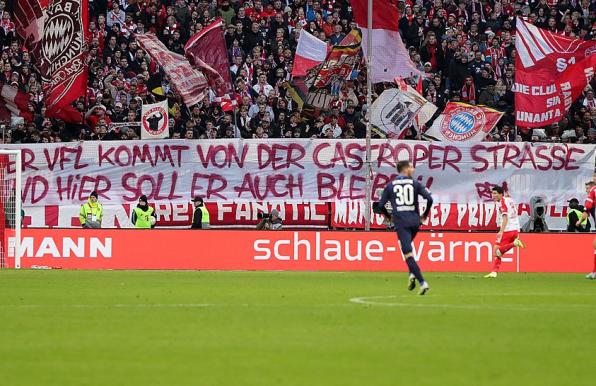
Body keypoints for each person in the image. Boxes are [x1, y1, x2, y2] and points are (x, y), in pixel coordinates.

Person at [374, 160, 433, 295]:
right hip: (415, 221)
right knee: (408, 248)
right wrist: (424, 214)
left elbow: (381, 205)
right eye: (411, 167)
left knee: (407, 253)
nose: (413, 169)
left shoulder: (390, 185)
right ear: (405, 169)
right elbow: (429, 199)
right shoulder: (415, 183)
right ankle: (411, 274)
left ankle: (423, 283)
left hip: (401, 222)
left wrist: (388, 217)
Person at [484, 186, 526, 278]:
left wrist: (501, 231)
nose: (493, 195)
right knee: (499, 252)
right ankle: (494, 272)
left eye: (495, 193)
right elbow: (509, 197)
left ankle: (515, 243)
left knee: (496, 252)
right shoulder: (508, 199)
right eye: (492, 193)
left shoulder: (502, 203)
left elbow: (505, 217)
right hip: (515, 229)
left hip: (507, 230)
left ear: (500, 194)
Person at [578, 180, 596, 279]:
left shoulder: (592, 194)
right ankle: (594, 271)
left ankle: (594, 272)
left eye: (588, 188)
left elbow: (586, 212)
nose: (586, 190)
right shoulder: (591, 199)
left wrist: (579, 221)